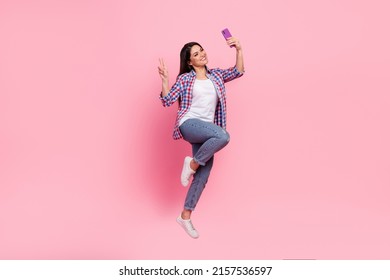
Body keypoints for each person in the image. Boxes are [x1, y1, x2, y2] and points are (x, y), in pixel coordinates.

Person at [157, 35, 244, 239]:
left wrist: (239, 49)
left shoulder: (216, 76)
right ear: (189, 62)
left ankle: (185, 216)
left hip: (206, 130)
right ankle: (193, 164)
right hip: (189, 124)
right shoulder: (185, 78)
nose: (201, 54)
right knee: (223, 136)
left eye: (202, 50)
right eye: (196, 54)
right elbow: (167, 100)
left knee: (203, 176)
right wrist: (164, 80)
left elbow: (238, 71)